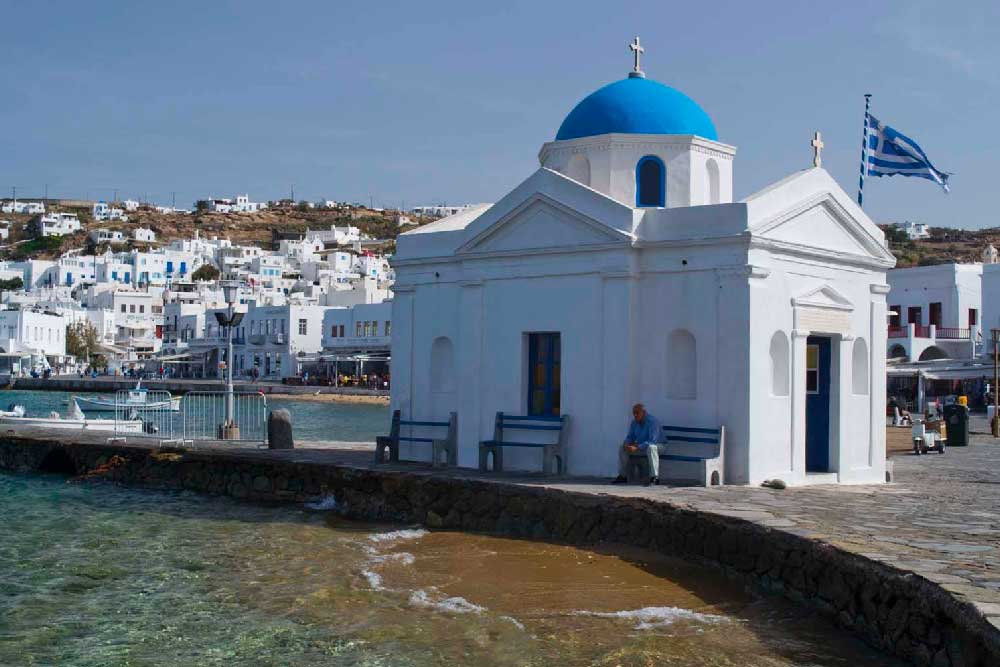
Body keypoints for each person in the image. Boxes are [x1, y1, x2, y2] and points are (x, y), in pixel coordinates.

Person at [612, 403, 661, 486]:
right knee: (622, 448)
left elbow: (653, 440)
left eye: (637, 412)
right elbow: (630, 436)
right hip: (641, 446)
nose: (635, 415)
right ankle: (623, 475)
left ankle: (654, 477)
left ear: (644, 412)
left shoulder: (652, 422)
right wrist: (626, 443)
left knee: (651, 448)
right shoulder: (634, 422)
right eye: (634, 413)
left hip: (658, 445)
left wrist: (637, 447)